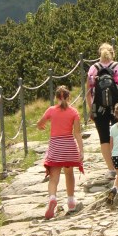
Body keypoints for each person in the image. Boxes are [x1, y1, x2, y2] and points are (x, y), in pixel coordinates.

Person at [86, 43, 118, 175]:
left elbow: (88, 92)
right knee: (117, 136)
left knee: (104, 138)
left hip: (99, 108)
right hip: (117, 108)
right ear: (113, 53)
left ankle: (111, 169)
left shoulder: (93, 69)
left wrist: (91, 109)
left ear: (99, 53)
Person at [37, 85, 84, 219]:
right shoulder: (74, 112)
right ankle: (70, 201)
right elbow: (77, 132)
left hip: (56, 146)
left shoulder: (51, 110)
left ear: (56, 97)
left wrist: (41, 126)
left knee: (53, 177)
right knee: (69, 174)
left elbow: (39, 123)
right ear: (69, 97)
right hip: (69, 145)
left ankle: (52, 198)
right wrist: (81, 150)